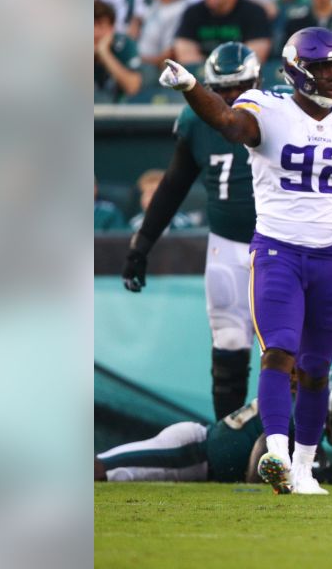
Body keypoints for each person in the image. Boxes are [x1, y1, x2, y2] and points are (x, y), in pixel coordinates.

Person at [157, 26, 332, 495]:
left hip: (330, 257)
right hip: (278, 251)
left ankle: (304, 468)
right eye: (322, 67)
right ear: (298, 70)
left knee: (315, 370)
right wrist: (193, 87)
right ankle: (276, 452)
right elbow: (231, 125)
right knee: (279, 352)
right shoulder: (267, 109)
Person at [122, 42, 263, 421]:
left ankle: (295, 448)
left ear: (258, 81)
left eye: (241, 87)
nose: (232, 97)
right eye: (223, 89)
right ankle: (228, 447)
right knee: (229, 343)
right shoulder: (196, 122)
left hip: (279, 247)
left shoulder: (281, 111)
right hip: (225, 246)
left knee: (285, 351)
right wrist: (142, 244)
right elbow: (174, 185)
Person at [96, 364, 332, 484]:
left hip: (202, 456)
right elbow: (264, 450)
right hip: (192, 451)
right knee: (105, 470)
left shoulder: (306, 414)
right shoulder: (302, 412)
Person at [173, 0, 273, 64]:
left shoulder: (253, 12)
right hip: (203, 78)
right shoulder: (193, 12)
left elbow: (256, 55)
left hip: (243, 77)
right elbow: (185, 53)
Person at [136, 0, 191, 68]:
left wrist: (138, 60)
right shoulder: (157, 2)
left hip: (154, 69)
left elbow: (168, 56)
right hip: (140, 62)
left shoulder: (181, 11)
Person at [95, 0, 143, 102]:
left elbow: (132, 87)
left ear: (112, 28)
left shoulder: (124, 44)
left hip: (117, 112)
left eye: (101, 26)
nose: (96, 33)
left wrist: (104, 53)